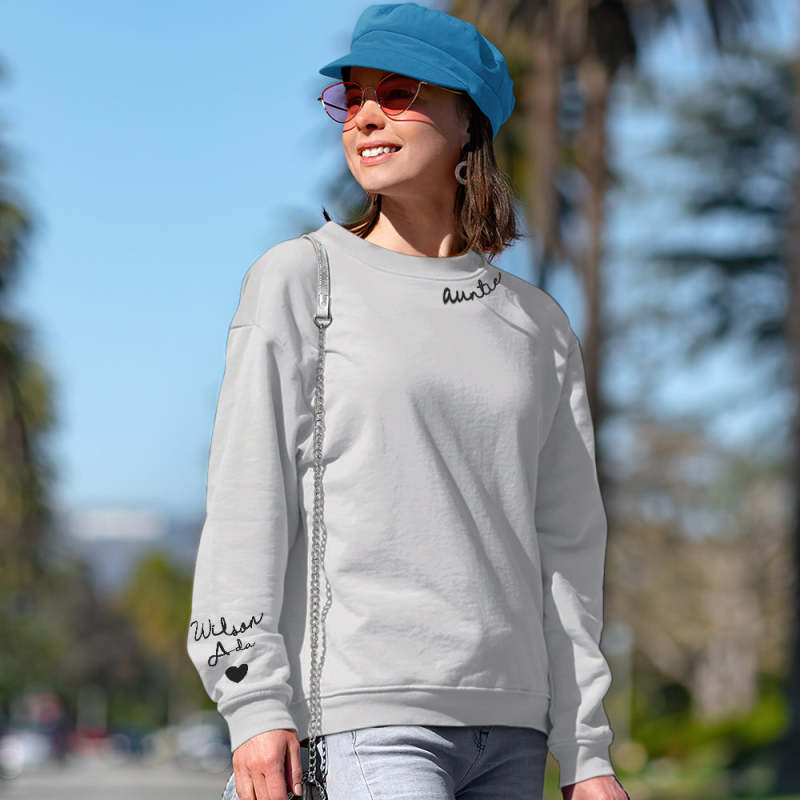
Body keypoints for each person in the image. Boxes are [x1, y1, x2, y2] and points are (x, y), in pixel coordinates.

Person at [187, 4, 632, 800]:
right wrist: (252, 700)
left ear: (469, 121)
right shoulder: (304, 279)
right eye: (352, 97)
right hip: (363, 718)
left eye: (398, 94)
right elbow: (247, 497)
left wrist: (586, 749)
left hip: (514, 731)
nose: (364, 117)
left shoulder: (536, 325)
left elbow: (567, 551)